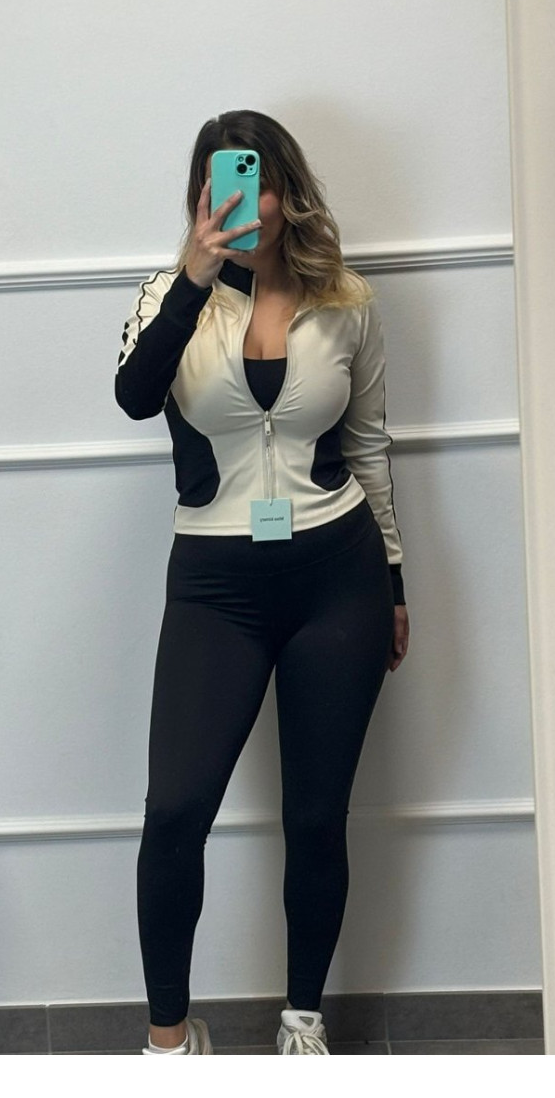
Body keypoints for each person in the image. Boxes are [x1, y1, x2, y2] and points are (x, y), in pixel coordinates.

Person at [114, 110, 410, 1056]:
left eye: (257, 182)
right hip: (216, 589)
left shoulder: (346, 301)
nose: (242, 203)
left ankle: (302, 1023)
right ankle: (170, 1041)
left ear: (285, 190)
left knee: (317, 816)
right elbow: (133, 396)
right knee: (174, 812)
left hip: (338, 578)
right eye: (220, 185)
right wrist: (194, 280)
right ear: (201, 197)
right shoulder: (168, 295)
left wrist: (394, 579)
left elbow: (368, 446)